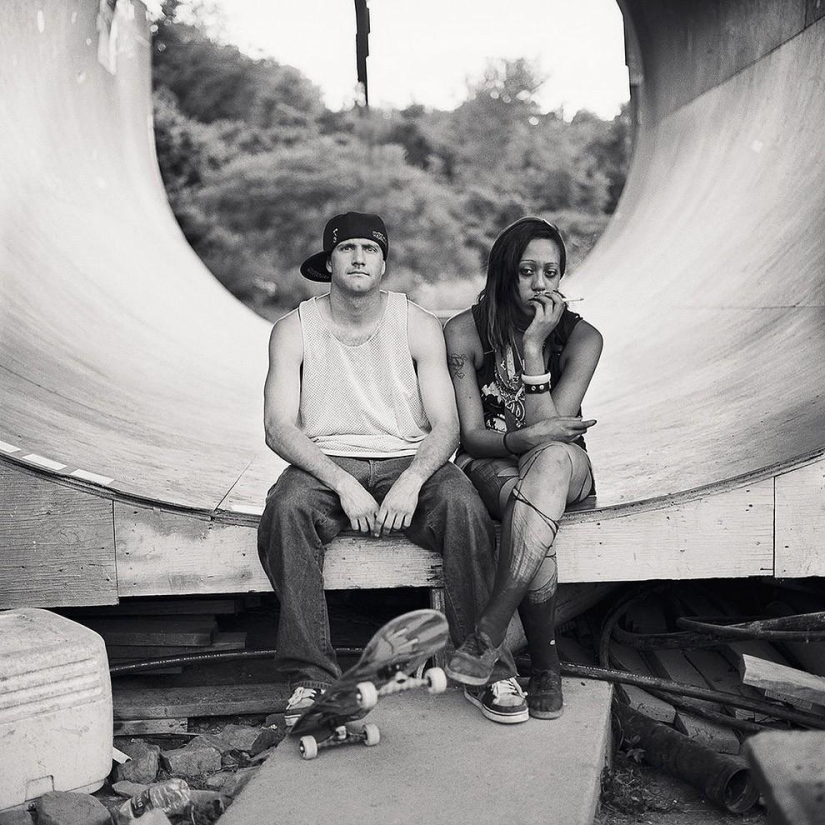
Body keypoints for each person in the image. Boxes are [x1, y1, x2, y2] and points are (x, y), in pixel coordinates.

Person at [257, 211, 529, 727]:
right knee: (286, 509)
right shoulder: (293, 329)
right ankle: (311, 680)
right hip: (328, 461)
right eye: (347, 248)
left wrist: (412, 480)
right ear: (328, 262)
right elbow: (277, 426)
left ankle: (484, 669)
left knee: (463, 505)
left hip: (409, 457)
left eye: (371, 249)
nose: (359, 257)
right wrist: (342, 482)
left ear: (383, 263)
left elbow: (446, 425)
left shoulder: (418, 325)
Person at [443, 216, 602, 719]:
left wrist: (534, 350)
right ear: (504, 272)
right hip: (490, 462)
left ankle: (490, 628)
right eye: (527, 271)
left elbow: (552, 433)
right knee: (532, 513)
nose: (540, 284)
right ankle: (547, 669)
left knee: (549, 462)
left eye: (551, 272)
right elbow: (471, 435)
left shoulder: (583, 338)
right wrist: (520, 440)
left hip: (562, 466)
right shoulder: (464, 332)